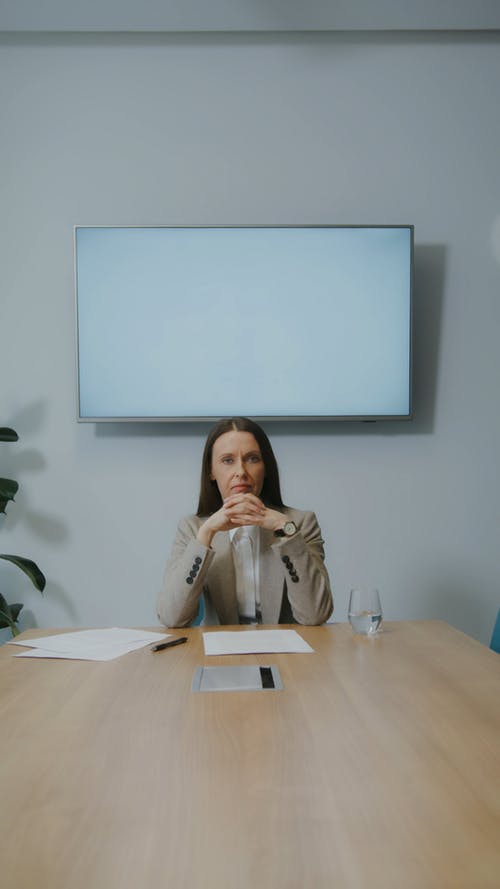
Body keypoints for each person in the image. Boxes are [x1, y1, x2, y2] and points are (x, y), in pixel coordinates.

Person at [157, 417, 333, 627]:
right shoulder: (193, 528)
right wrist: (206, 535)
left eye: (252, 458)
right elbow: (171, 618)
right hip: (221, 655)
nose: (240, 471)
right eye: (228, 460)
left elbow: (316, 615)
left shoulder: (299, 523)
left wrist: (288, 533)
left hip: (285, 655)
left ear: (266, 467)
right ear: (211, 471)